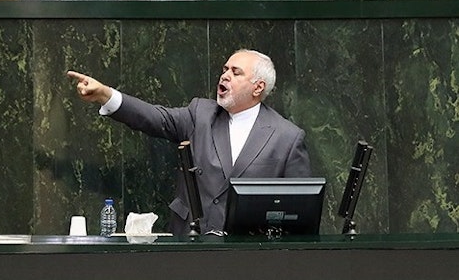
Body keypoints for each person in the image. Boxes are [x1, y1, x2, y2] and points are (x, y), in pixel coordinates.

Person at [67, 49, 311, 236]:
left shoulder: (286, 137)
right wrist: (106, 95)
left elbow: (300, 212)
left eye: (236, 72)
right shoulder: (200, 114)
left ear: (258, 87)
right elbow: (154, 117)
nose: (225, 75)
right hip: (190, 244)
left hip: (246, 257)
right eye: (225, 69)